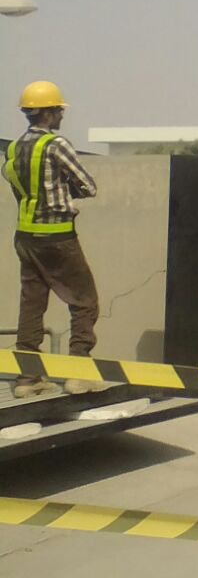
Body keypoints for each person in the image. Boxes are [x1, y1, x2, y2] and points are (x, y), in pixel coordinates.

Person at [3, 81, 103, 398]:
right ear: (48, 112)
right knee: (84, 302)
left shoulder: (14, 148)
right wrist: (64, 191)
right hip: (57, 237)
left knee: (32, 305)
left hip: (25, 237)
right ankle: (79, 374)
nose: (61, 114)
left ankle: (27, 379)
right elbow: (88, 186)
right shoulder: (56, 145)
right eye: (58, 109)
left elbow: (17, 184)